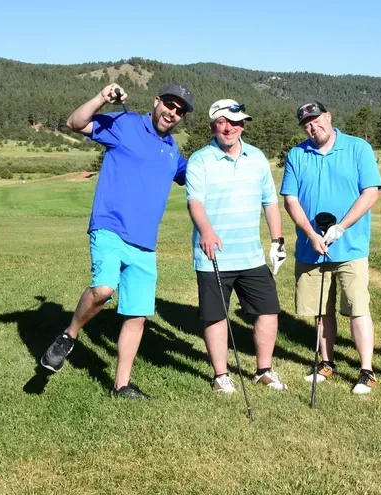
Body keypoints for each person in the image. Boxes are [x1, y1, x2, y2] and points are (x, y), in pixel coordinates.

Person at [40, 82, 194, 398]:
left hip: (145, 243)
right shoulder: (125, 124)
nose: (172, 113)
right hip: (110, 228)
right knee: (104, 289)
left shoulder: (172, 149)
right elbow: (76, 123)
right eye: (169, 104)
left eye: (179, 111)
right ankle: (69, 335)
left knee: (137, 315)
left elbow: (192, 175)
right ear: (156, 102)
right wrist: (101, 97)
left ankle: (121, 385)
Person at [186, 99, 288, 394]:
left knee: (268, 311)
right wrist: (206, 230)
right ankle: (221, 375)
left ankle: (264, 370)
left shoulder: (257, 158)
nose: (229, 128)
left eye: (236, 122)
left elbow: (269, 201)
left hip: (251, 255)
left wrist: (277, 240)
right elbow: (195, 202)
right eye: (223, 122)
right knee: (216, 315)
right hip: (213, 254)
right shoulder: (200, 160)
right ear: (212, 126)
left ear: (243, 125)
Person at [281, 101, 381, 394]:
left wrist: (341, 227)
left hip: (350, 246)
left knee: (357, 308)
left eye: (316, 120)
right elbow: (291, 200)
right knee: (321, 312)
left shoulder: (357, 148)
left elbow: (371, 192)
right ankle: (327, 363)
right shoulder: (297, 154)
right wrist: (312, 234)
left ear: (329, 116)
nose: (313, 127)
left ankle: (366, 370)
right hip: (311, 248)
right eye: (307, 124)